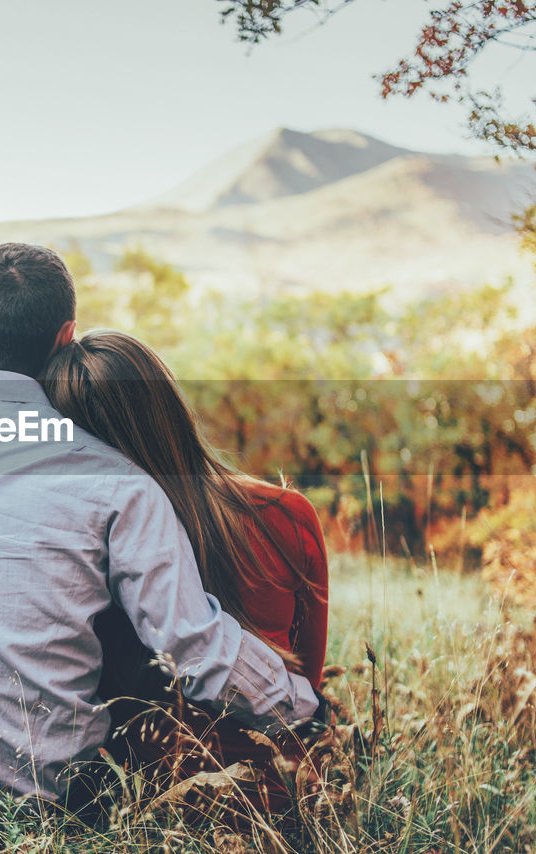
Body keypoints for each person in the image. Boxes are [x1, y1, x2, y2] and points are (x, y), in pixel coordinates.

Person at [0, 243, 322, 811]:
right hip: (43, 805)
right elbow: (193, 647)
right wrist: (305, 713)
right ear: (66, 336)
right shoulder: (117, 484)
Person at [40, 330, 328, 802]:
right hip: (276, 795)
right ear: (167, 407)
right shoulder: (284, 515)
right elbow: (309, 680)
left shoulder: (79, 544)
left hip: (142, 809)